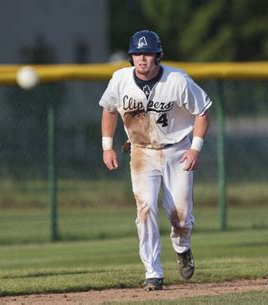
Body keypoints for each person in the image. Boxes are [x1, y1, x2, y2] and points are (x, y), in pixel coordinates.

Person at [99, 30, 211, 291]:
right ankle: (153, 272)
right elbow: (108, 110)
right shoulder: (120, 80)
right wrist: (107, 147)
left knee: (180, 216)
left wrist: (195, 148)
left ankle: (182, 248)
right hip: (141, 151)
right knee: (146, 207)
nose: (142, 58)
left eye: (147, 53)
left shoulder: (177, 80)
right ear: (130, 57)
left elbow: (203, 110)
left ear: (158, 55)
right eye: (137, 53)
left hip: (177, 149)